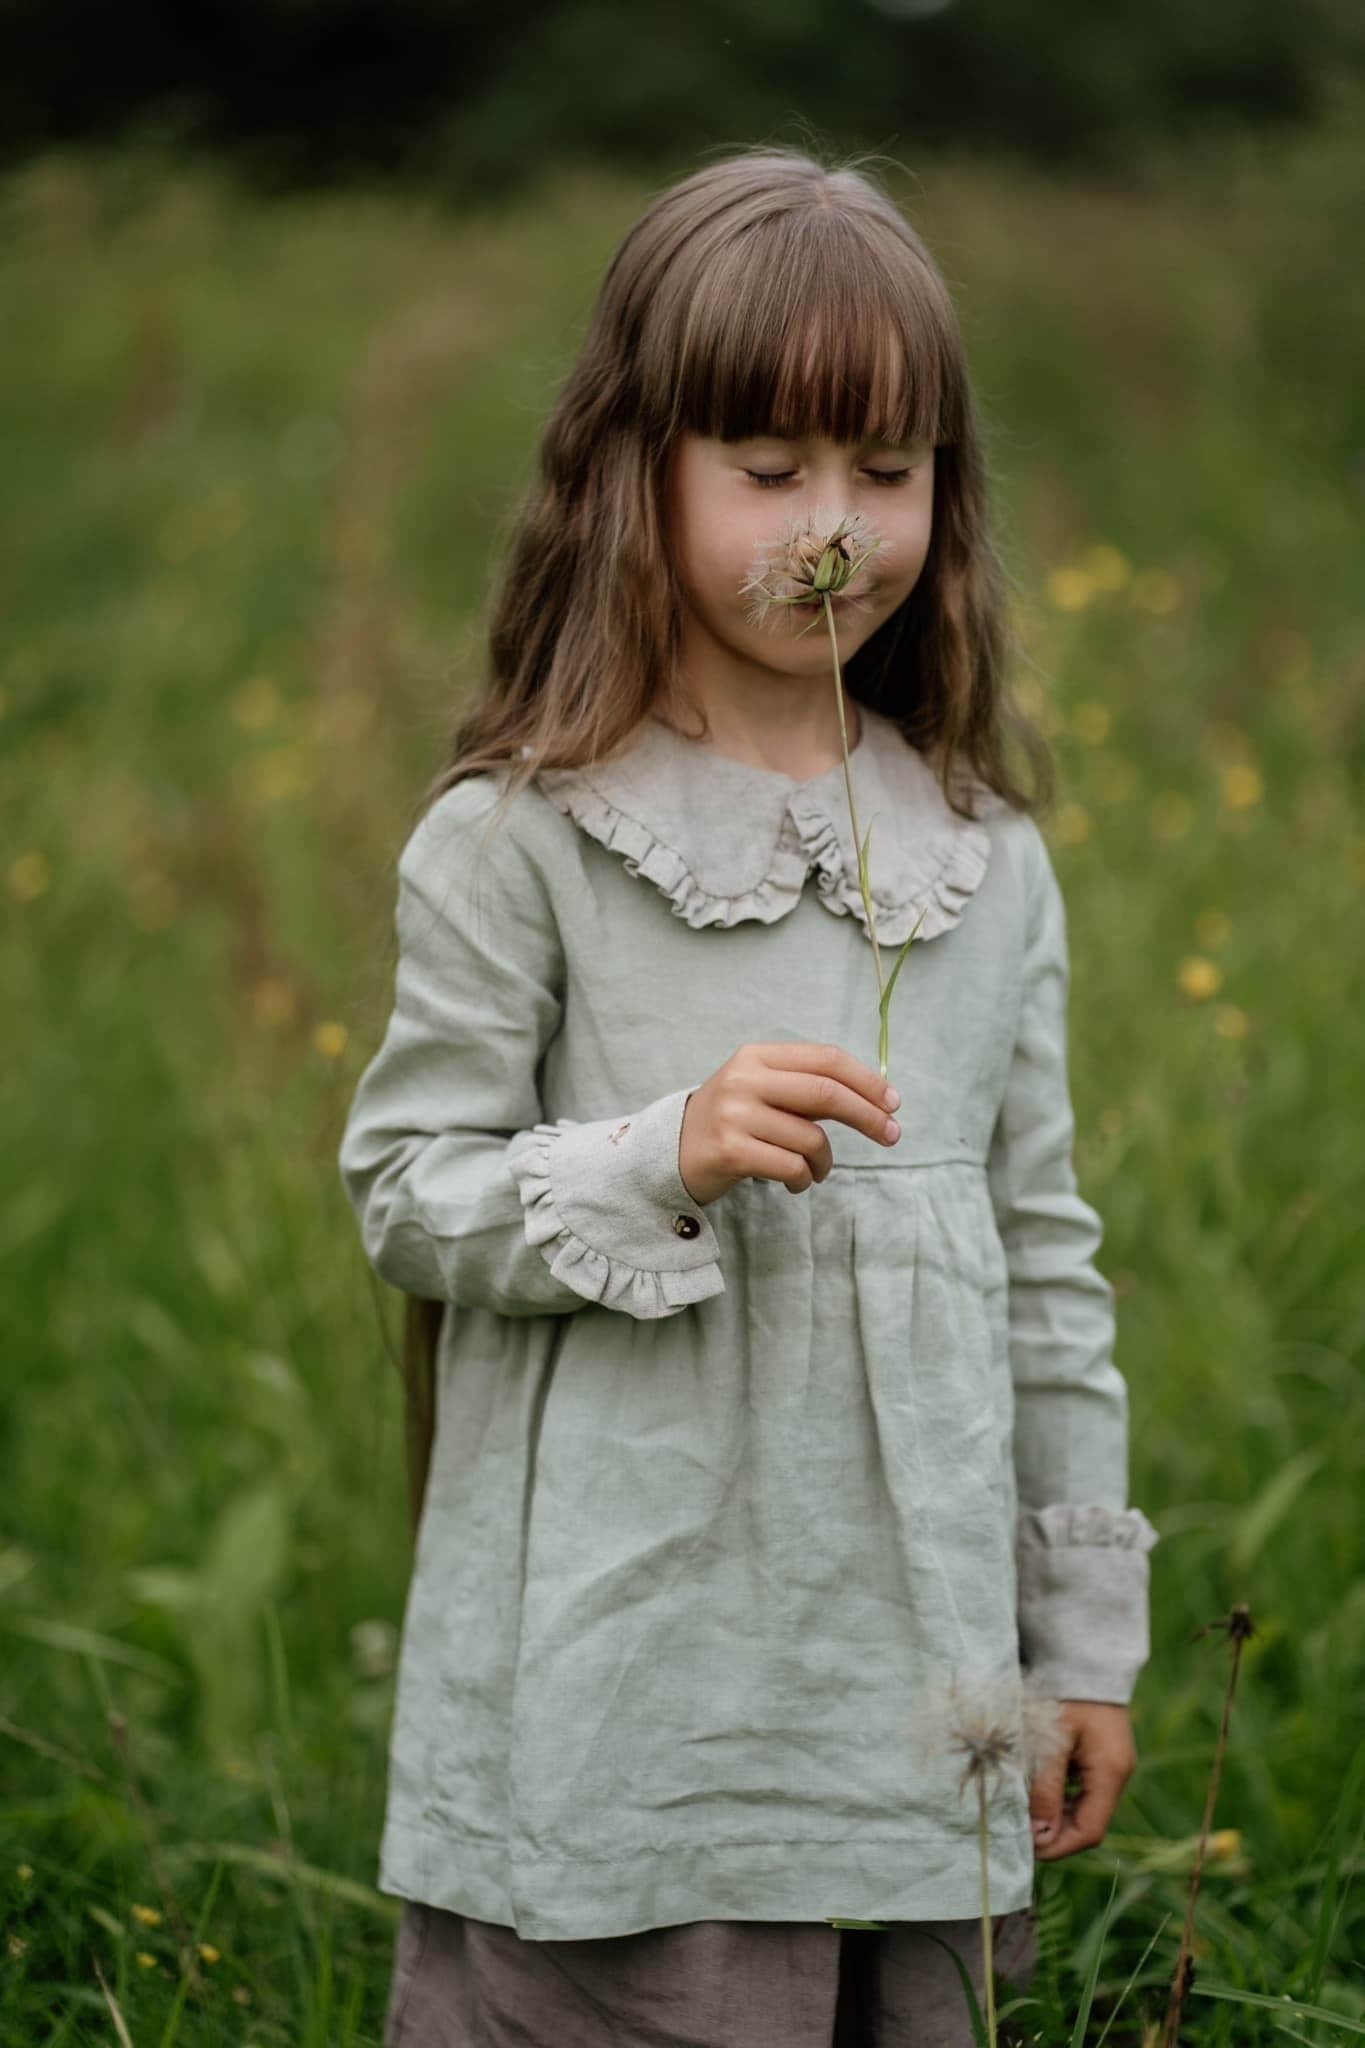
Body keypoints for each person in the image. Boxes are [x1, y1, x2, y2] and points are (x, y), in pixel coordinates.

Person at [337, 144, 1160, 2048]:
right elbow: (403, 1189)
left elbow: (1044, 1261)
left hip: (911, 1699)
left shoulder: (983, 855)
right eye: (769, 470)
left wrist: (1084, 1651)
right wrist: (661, 1148)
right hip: (638, 1697)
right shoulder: (523, 837)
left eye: (886, 470)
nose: (835, 526)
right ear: (641, 471)